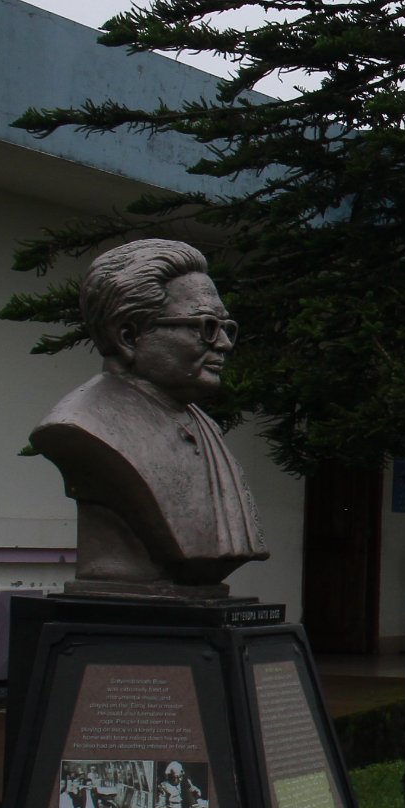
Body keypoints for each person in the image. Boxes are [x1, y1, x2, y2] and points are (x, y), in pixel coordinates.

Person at [29, 240, 267, 591]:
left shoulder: (206, 427)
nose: (224, 343)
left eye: (226, 327)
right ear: (129, 335)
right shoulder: (82, 426)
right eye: (205, 326)